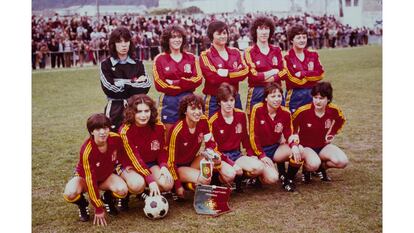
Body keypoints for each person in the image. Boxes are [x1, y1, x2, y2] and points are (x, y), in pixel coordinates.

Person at [63, 113, 128, 226]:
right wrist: (98, 207)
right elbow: (90, 179)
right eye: (98, 129)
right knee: (70, 193)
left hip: (106, 176)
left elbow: (123, 154)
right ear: (92, 132)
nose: (103, 132)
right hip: (84, 178)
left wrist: (126, 165)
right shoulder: (87, 150)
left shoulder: (116, 138)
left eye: (105, 128)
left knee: (122, 190)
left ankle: (107, 198)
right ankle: (82, 204)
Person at [167, 94, 237, 199]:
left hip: (193, 162)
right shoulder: (177, 130)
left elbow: (211, 145)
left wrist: (226, 161)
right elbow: (170, 161)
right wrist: (177, 186)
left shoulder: (203, 120)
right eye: (193, 108)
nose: (197, 112)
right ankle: (187, 185)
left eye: (200, 108)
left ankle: (207, 183)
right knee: (204, 178)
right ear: (185, 111)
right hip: (179, 167)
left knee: (230, 173)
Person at [209, 83, 269, 192]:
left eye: (231, 100)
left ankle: (240, 179)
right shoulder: (213, 120)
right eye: (225, 101)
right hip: (221, 157)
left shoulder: (241, 115)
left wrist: (251, 154)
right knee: (230, 174)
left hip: (236, 154)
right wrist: (232, 164)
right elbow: (213, 149)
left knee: (259, 167)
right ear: (219, 102)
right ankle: (217, 180)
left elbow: (246, 138)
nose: (229, 104)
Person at [117, 94, 172, 210]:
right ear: (131, 112)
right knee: (137, 184)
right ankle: (127, 194)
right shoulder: (125, 131)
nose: (143, 115)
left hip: (150, 163)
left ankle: (146, 191)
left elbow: (162, 150)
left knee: (167, 184)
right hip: (129, 164)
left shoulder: (159, 126)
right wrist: (151, 180)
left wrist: (163, 166)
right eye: (139, 111)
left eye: (146, 111)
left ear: (151, 111)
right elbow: (135, 158)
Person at [291, 81, 348, 183]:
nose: (317, 101)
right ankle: (307, 169)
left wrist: (332, 133)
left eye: (321, 98)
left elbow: (341, 120)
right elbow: (291, 126)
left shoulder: (334, 110)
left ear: (328, 99)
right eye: (315, 97)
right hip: (306, 147)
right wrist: (295, 138)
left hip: (323, 146)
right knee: (313, 164)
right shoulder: (302, 111)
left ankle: (321, 168)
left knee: (342, 162)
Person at [249, 83, 302, 191]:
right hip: (258, 150)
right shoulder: (257, 109)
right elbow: (253, 136)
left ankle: (288, 178)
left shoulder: (285, 113)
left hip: (275, 148)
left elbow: (289, 133)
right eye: (273, 96)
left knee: (299, 149)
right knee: (272, 178)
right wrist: (261, 155)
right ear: (266, 98)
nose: (277, 99)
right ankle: (255, 178)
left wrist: (294, 145)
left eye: (279, 96)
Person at [99, 26, 152, 132]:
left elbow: (146, 86)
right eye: (119, 41)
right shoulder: (106, 65)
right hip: (115, 110)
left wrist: (120, 83)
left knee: (136, 142)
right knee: (115, 141)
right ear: (113, 44)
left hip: (136, 109)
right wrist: (134, 83)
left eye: (126, 41)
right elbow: (109, 89)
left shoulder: (138, 63)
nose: (123, 45)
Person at [153, 25, 202, 134]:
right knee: (169, 135)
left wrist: (175, 82)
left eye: (179, 37)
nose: (177, 40)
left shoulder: (191, 58)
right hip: (169, 101)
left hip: (189, 101)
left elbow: (198, 79)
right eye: (173, 37)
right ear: (167, 40)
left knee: (188, 135)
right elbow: (159, 84)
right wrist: (186, 84)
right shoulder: (160, 59)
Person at [199, 20, 249, 117]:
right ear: (211, 36)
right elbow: (213, 78)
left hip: (234, 98)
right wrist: (235, 72)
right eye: (219, 34)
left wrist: (227, 73)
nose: (223, 36)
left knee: (237, 128)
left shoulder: (236, 52)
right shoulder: (205, 55)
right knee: (213, 130)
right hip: (214, 100)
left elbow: (245, 72)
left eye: (225, 33)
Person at [244, 16, 285, 115]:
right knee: (256, 126)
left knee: (279, 123)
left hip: (275, 91)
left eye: (266, 29)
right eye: (260, 29)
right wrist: (273, 72)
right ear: (255, 31)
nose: (264, 32)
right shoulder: (249, 51)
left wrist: (263, 77)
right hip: (257, 93)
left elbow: (284, 72)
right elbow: (253, 76)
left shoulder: (276, 50)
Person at [283, 24, 324, 113]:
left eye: (304, 37)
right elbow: (292, 80)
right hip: (294, 98)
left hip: (312, 96)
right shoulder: (287, 58)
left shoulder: (313, 55)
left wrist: (303, 74)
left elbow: (320, 74)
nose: (302, 40)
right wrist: (311, 78)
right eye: (298, 38)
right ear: (291, 40)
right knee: (293, 125)